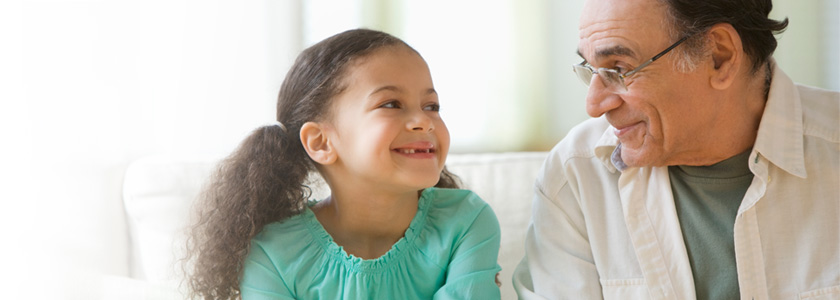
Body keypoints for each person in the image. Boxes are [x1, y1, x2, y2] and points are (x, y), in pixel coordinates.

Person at [513, 0, 840, 298]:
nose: (595, 105)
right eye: (591, 70)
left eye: (619, 69)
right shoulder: (575, 177)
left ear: (719, 57)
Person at [184, 29, 502, 299]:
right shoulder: (273, 254)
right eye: (391, 104)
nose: (424, 121)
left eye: (431, 105)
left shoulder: (467, 221)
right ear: (321, 142)